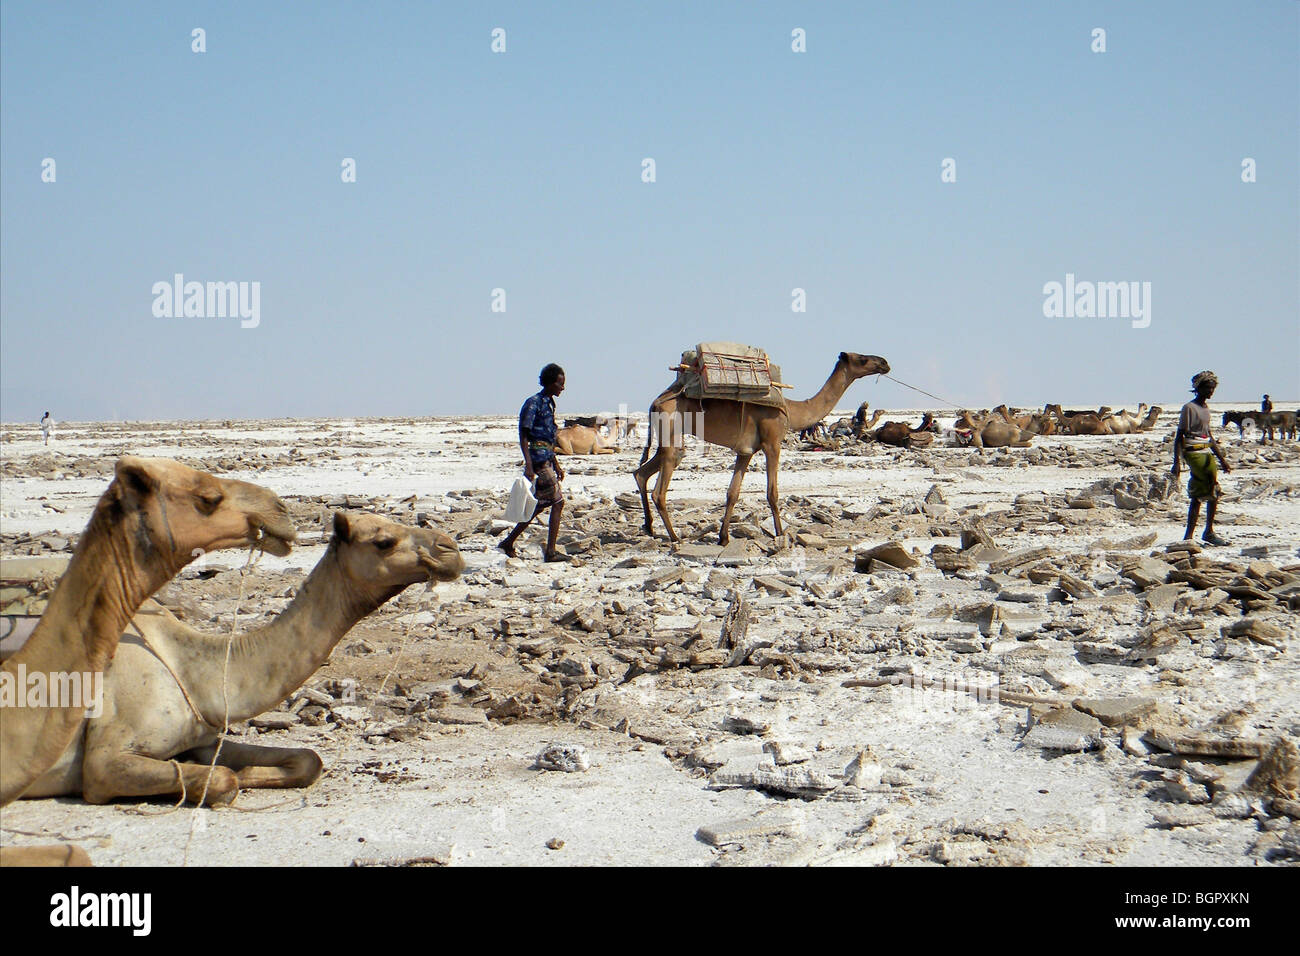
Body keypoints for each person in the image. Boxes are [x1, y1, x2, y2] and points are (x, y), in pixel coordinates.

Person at [499, 364, 568, 562]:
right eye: (559, 384)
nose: (562, 388)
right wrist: (529, 465)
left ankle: (509, 541)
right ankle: (551, 552)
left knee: (539, 505)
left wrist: (556, 463)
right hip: (537, 459)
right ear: (550, 382)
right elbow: (524, 435)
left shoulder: (549, 403)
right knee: (558, 502)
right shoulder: (533, 403)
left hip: (546, 457)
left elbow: (549, 438)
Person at [1171, 371, 1231, 546]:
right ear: (1198, 388)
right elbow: (1179, 436)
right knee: (1202, 491)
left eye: (1213, 388)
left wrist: (1222, 460)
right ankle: (1189, 536)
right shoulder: (1189, 408)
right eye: (1208, 387)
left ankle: (1208, 532)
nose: (1211, 391)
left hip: (1206, 452)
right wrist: (1176, 462)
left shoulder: (1206, 409)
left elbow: (1209, 436)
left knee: (1213, 492)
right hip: (1193, 452)